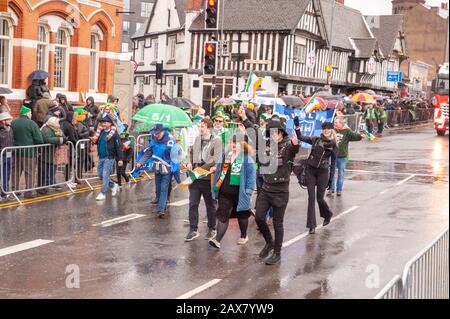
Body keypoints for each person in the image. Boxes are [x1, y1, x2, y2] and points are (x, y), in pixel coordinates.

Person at [254, 116, 300, 265]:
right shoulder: (267, 146)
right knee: (259, 218)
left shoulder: (287, 147)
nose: (274, 136)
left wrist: (296, 141)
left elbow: (294, 148)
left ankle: (277, 253)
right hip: (266, 189)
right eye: (271, 133)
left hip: (281, 191)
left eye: (276, 133)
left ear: (281, 133)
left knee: (277, 223)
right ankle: (269, 242)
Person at [208, 134, 256, 249]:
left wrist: (249, 191)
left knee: (242, 216)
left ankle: (244, 236)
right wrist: (215, 169)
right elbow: (220, 169)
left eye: (236, 143)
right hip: (225, 192)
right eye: (231, 142)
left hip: (240, 193)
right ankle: (217, 240)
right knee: (223, 215)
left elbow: (251, 176)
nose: (232, 145)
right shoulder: (226, 156)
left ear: (242, 144)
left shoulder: (247, 159)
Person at [296, 120, 337, 235]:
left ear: (331, 130)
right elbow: (300, 137)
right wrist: (297, 127)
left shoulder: (334, 145)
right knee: (311, 198)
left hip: (323, 173)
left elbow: (333, 164)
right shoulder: (315, 139)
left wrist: (331, 179)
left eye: (328, 129)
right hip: (311, 170)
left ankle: (327, 214)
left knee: (320, 198)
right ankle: (311, 226)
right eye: (324, 128)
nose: (326, 130)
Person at [184, 118, 222, 242]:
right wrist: (190, 164)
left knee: (210, 205)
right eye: (200, 126)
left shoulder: (217, 141)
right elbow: (191, 154)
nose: (200, 128)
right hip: (195, 177)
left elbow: (214, 160)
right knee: (193, 203)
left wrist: (198, 171)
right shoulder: (197, 139)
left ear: (209, 128)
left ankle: (212, 228)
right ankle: (193, 229)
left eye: (203, 127)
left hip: (207, 177)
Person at [136, 124, 181, 218]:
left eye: (158, 133)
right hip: (157, 167)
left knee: (164, 188)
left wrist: (176, 166)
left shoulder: (170, 140)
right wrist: (140, 162)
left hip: (167, 168)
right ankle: (160, 204)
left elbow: (176, 154)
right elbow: (149, 152)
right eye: (155, 133)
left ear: (163, 131)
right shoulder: (154, 139)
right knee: (158, 188)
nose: (156, 135)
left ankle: (161, 209)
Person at [10, 105, 44, 198]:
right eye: (30, 113)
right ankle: (28, 192)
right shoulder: (31, 123)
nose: (31, 115)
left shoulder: (13, 122)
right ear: (26, 113)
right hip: (29, 153)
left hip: (15, 152)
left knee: (15, 172)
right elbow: (39, 139)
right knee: (29, 172)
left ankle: (14, 191)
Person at [330, 117, 364, 196]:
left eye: (336, 123)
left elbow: (354, 136)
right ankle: (331, 189)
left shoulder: (347, 131)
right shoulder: (332, 130)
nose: (335, 124)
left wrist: (360, 136)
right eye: (334, 122)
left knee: (340, 174)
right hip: (332, 156)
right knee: (331, 173)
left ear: (341, 124)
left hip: (342, 156)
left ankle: (339, 190)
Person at [94, 117, 122, 201]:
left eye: (105, 122)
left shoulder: (114, 134)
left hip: (109, 157)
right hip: (101, 157)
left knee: (105, 175)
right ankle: (113, 185)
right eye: (102, 122)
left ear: (110, 123)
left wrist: (120, 159)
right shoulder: (101, 132)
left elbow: (119, 147)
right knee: (100, 175)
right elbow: (97, 141)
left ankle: (103, 193)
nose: (103, 124)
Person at [38, 117, 66, 195]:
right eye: (57, 122)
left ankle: (45, 187)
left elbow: (61, 135)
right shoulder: (46, 129)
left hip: (50, 154)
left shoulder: (54, 129)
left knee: (47, 172)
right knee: (43, 173)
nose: (59, 124)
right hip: (44, 154)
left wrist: (63, 138)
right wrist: (60, 140)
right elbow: (47, 139)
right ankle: (41, 188)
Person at [60, 111, 79, 187]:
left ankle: (69, 180)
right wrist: (78, 143)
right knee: (69, 164)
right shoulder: (69, 126)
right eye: (73, 116)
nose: (75, 118)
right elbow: (72, 137)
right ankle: (67, 181)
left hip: (69, 146)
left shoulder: (65, 124)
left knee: (69, 164)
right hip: (70, 147)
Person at [0, 112, 14, 200]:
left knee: (7, 175)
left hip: (9, 155)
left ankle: (4, 193)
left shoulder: (10, 129)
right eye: (9, 119)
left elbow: (12, 140)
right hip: (1, 155)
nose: (11, 121)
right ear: (3, 121)